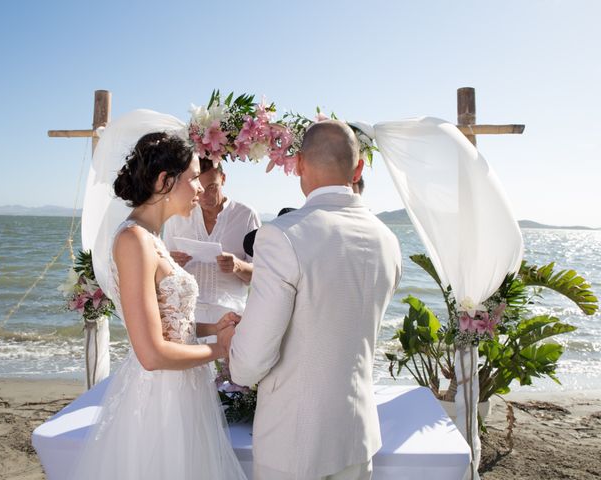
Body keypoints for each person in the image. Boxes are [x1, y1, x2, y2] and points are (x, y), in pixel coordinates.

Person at [224, 120, 402, 480]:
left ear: (300, 164)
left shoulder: (282, 235)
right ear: (358, 168)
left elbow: (249, 363)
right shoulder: (388, 240)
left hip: (293, 441)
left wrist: (232, 342)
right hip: (357, 434)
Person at [68, 131, 247, 480]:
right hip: (159, 395)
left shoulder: (152, 238)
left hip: (183, 387)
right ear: (165, 181)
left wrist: (213, 328)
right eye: (194, 177)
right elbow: (151, 353)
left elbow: (169, 325)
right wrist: (218, 349)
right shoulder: (133, 241)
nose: (199, 188)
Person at [163, 159, 261, 339]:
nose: (205, 196)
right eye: (200, 188)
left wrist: (238, 266)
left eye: (212, 187)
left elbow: (263, 275)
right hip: (186, 317)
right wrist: (171, 262)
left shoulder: (246, 216)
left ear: (223, 179)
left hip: (230, 319)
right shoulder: (177, 216)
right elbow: (161, 272)